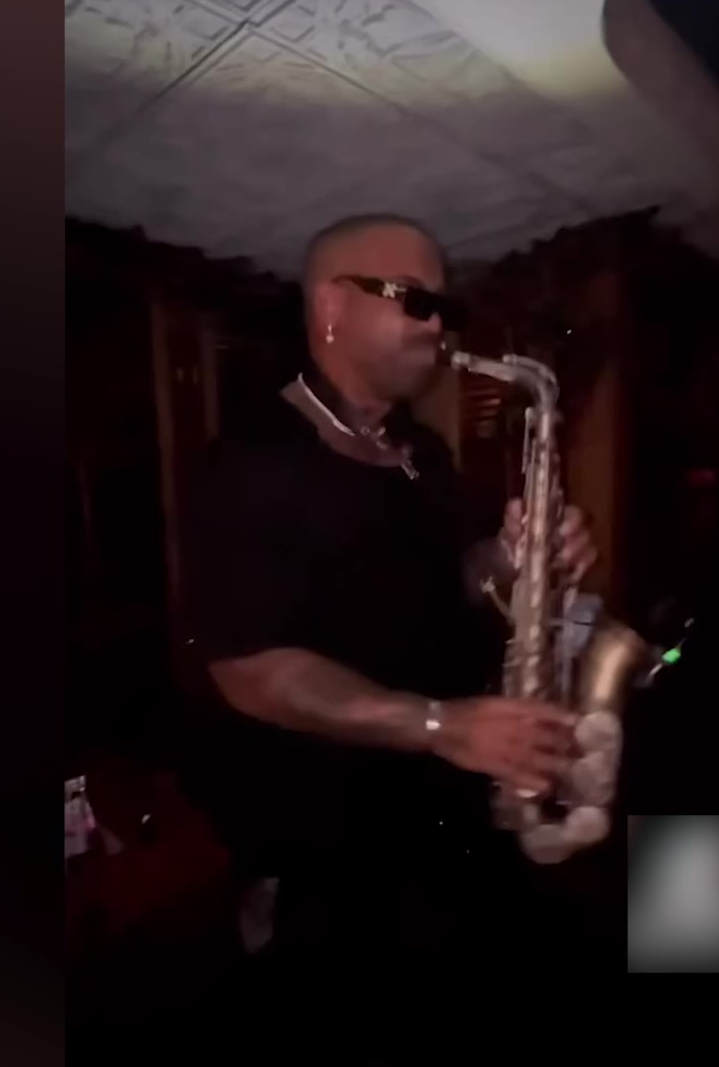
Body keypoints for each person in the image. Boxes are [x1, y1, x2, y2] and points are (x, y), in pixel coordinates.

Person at [182, 213, 600, 976]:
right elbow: (250, 668)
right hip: (326, 845)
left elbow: (459, 578)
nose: (438, 326)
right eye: (416, 300)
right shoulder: (250, 463)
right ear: (331, 306)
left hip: (441, 813)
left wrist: (515, 558)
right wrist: (438, 724)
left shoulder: (421, 450)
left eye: (444, 306)